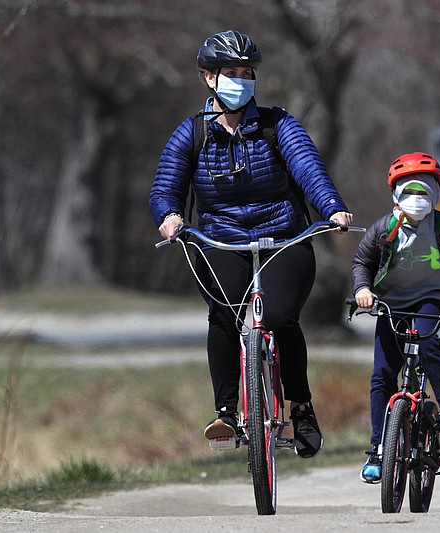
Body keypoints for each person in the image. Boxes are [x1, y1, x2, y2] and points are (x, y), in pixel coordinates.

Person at [149, 29, 353, 459]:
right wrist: (169, 217)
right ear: (209, 78)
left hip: (284, 237)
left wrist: (331, 208)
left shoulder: (280, 125)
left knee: (280, 318)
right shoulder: (191, 135)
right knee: (223, 315)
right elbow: (165, 187)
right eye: (231, 73)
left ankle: (301, 408)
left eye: (247, 73)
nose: (240, 80)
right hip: (220, 241)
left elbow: (309, 169)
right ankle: (225, 411)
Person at [350, 151, 440, 483]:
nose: (416, 199)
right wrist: (362, 290)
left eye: (424, 191)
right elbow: (361, 264)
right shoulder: (384, 230)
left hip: (430, 299)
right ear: (395, 194)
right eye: (409, 191)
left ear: (437, 193)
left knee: (426, 341)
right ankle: (380, 450)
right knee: (382, 374)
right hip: (391, 303)